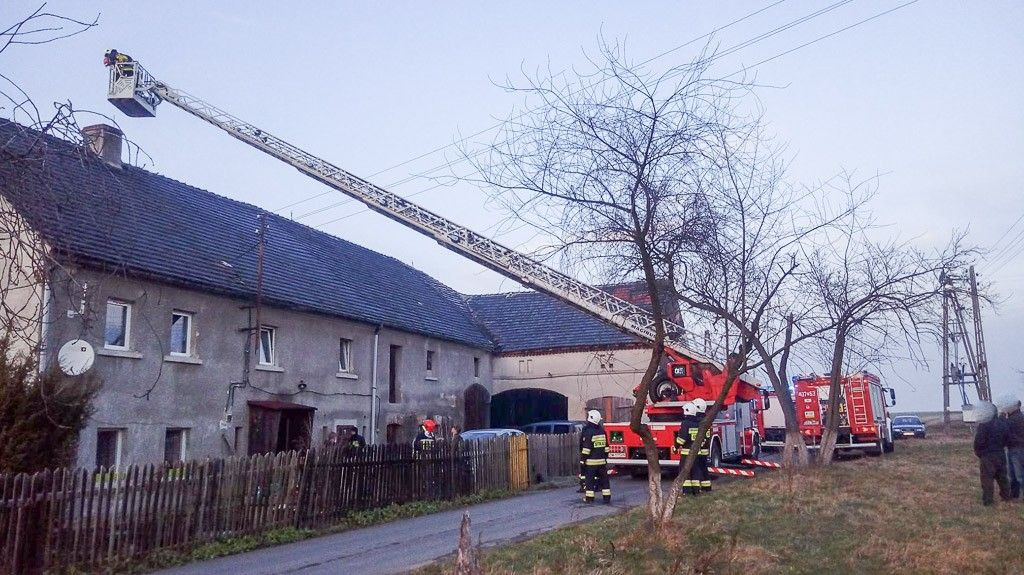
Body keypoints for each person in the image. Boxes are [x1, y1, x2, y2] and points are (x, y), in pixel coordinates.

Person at [974, 401, 1011, 506]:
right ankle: (1006, 496)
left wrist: (979, 453)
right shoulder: (1002, 423)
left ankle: (988, 500)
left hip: (987, 456)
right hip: (1000, 453)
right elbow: (1007, 439)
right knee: (1002, 477)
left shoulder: (984, 425)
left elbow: (979, 441)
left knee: (987, 478)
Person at [580, 409, 611, 504]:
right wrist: (605, 458)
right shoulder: (602, 431)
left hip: (591, 463)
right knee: (604, 481)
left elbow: (586, 449)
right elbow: (606, 448)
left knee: (589, 481)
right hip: (602, 462)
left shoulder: (589, 432)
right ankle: (607, 498)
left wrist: (583, 460)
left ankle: (589, 499)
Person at [675, 402, 701, 495]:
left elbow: (682, 439)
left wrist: (676, 446)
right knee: (695, 471)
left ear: (687, 411)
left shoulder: (685, 423)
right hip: (696, 453)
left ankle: (687, 491)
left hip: (686, 453)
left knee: (685, 472)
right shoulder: (698, 423)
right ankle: (696, 491)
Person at [1000, 396, 1024, 499]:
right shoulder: (1018, 417)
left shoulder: (1014, 419)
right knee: (1014, 474)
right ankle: (1014, 494)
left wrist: (1001, 417)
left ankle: (1016, 494)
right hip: (1013, 448)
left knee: (1018, 474)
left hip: (1016, 448)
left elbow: (1004, 429)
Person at [692, 398, 713, 493]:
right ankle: (707, 487)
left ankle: (696, 489)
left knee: (696, 469)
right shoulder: (706, 419)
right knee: (703, 468)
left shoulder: (697, 421)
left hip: (698, 449)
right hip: (704, 449)